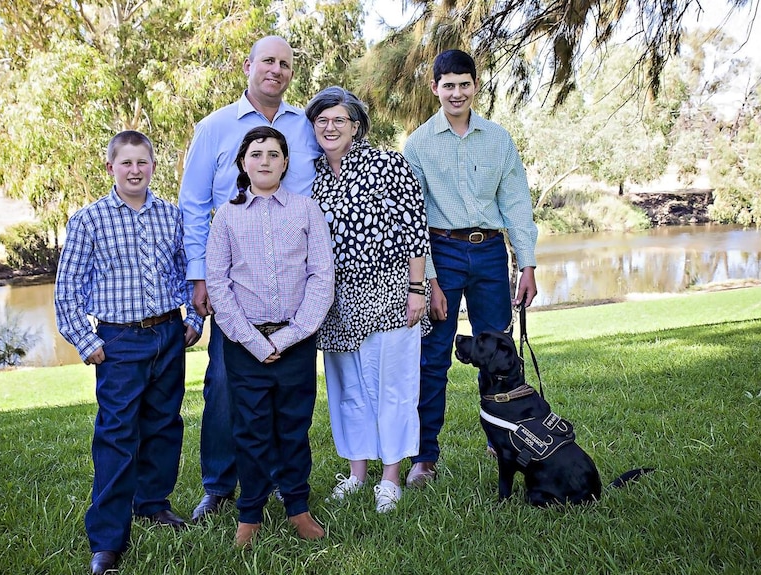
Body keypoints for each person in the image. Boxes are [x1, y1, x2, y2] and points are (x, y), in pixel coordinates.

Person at [178, 35, 321, 522]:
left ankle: (284, 486)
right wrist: (198, 276)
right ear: (248, 66)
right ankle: (219, 485)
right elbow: (194, 205)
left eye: (284, 64)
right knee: (223, 385)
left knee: (288, 392)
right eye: (268, 61)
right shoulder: (214, 128)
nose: (276, 70)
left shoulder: (305, 127)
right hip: (236, 289)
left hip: (296, 289)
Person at [54, 130, 202, 575]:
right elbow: (67, 290)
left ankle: (153, 503)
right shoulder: (89, 220)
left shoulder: (169, 216)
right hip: (118, 341)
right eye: (126, 163)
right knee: (117, 436)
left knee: (164, 424)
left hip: (167, 333)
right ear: (111, 168)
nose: (135, 170)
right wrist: (88, 341)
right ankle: (107, 540)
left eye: (143, 162)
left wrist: (192, 321)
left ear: (153, 166)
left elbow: (184, 272)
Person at [402, 49, 539, 487]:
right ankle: (425, 457)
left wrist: (528, 263)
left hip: (490, 255)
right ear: (435, 88)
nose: (457, 92)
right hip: (442, 251)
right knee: (434, 357)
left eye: (465, 84)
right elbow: (413, 216)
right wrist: (430, 282)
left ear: (475, 86)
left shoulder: (498, 139)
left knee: (500, 353)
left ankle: (504, 434)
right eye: (448, 85)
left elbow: (516, 203)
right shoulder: (419, 144)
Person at [205, 126, 334, 546]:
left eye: (273, 154)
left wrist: (292, 335)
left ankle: (298, 507)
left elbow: (322, 278)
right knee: (251, 431)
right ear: (244, 162)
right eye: (256, 153)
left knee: (293, 429)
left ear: (285, 162)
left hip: (295, 343)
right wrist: (256, 342)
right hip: (244, 345)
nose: (265, 160)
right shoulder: (226, 216)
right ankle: (250, 514)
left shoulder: (306, 211)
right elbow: (218, 286)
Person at [304, 86, 430, 513]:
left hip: (390, 289)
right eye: (322, 120)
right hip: (336, 300)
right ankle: (358, 473)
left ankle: (391, 478)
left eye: (339, 119)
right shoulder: (314, 176)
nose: (330, 126)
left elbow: (415, 226)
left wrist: (417, 289)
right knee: (349, 390)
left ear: (356, 126)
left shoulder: (387, 162)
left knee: (391, 388)